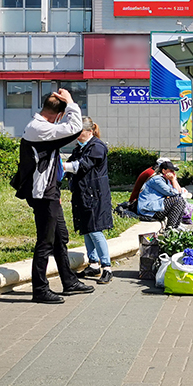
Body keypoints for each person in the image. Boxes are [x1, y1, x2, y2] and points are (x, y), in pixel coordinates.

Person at [12, 89, 94, 304]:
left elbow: (68, 129)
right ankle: (39, 290)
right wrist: (71, 102)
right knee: (45, 242)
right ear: (57, 115)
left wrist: (66, 105)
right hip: (42, 194)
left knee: (60, 237)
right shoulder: (39, 128)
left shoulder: (42, 127)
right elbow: (75, 128)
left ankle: (69, 281)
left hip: (50, 191)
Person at [64, 117, 114, 285]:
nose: (76, 134)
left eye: (79, 131)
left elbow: (81, 166)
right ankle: (93, 264)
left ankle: (107, 266)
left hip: (96, 195)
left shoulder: (97, 147)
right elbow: (73, 163)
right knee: (86, 228)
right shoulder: (80, 148)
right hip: (83, 194)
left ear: (89, 131)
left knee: (95, 229)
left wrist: (61, 166)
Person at [138, 161, 188, 228]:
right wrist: (173, 180)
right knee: (177, 200)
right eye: (171, 171)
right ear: (163, 171)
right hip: (148, 210)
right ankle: (170, 228)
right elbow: (174, 193)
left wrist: (175, 179)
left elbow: (179, 192)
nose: (173, 173)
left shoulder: (165, 180)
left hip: (156, 206)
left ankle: (176, 226)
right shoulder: (157, 180)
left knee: (181, 200)